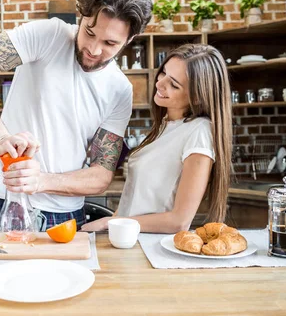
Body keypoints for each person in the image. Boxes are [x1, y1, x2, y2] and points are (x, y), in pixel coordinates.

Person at [0, 0, 153, 231]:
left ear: (130, 40)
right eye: (89, 32)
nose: (94, 49)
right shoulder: (50, 36)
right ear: (82, 18)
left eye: (110, 43)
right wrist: (0, 139)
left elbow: (101, 176)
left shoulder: (120, 90)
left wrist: (41, 181)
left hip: (65, 218)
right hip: (6, 206)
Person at [81, 44, 233, 233]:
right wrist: (115, 222)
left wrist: (109, 223)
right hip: (131, 239)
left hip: (152, 246)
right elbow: (134, 200)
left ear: (197, 97)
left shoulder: (199, 131)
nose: (159, 83)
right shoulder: (165, 127)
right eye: (163, 73)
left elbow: (179, 221)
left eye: (174, 84)